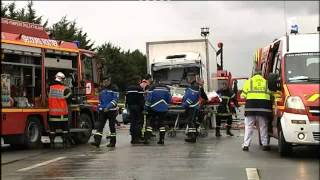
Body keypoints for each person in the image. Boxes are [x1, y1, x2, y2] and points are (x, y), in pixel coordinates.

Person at [241, 70, 272, 151]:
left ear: (254, 74)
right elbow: (272, 95)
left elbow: (243, 96)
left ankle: (246, 145)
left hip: (250, 108)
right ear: (261, 75)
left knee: (249, 127)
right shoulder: (266, 82)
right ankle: (265, 144)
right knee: (263, 126)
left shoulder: (249, 82)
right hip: (263, 108)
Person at [91, 75, 119, 148]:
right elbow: (100, 100)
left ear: (109, 80)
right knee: (100, 126)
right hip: (103, 110)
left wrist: (108, 107)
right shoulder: (102, 89)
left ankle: (112, 142)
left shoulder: (114, 88)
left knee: (111, 126)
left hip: (112, 111)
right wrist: (99, 107)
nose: (104, 83)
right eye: (103, 82)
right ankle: (97, 141)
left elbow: (115, 100)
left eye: (106, 81)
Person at [48, 72, 72, 148]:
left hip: (52, 114)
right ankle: (65, 143)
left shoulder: (50, 88)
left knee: (52, 130)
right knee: (65, 129)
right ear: (61, 79)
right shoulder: (65, 89)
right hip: (62, 114)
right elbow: (70, 100)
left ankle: (52, 143)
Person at [125, 75, 145, 144]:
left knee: (132, 123)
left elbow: (126, 98)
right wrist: (143, 108)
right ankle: (137, 138)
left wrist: (127, 106)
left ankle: (133, 138)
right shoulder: (139, 88)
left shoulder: (128, 88)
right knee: (138, 123)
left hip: (130, 107)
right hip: (137, 107)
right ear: (138, 80)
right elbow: (141, 99)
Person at [182, 73, 201, 143]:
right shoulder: (193, 85)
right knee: (191, 121)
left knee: (191, 121)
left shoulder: (194, 86)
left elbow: (192, 97)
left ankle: (192, 137)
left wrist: (185, 104)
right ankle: (192, 134)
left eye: (188, 77)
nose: (187, 79)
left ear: (192, 77)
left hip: (192, 107)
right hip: (192, 106)